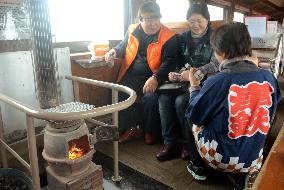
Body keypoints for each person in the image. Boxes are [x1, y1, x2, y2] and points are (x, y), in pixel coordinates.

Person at [183, 22, 281, 188]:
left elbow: (195, 115)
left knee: (189, 112)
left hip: (220, 158)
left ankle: (197, 166)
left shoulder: (218, 81)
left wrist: (194, 87)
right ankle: (245, 175)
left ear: (222, 53)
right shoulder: (269, 77)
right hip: (255, 156)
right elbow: (272, 109)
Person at [104, 1, 178, 145]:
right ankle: (132, 127)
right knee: (117, 91)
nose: (153, 23)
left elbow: (169, 62)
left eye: (156, 19)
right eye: (149, 19)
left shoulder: (169, 37)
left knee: (150, 98)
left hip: (155, 76)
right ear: (140, 20)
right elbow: (123, 46)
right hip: (132, 75)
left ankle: (150, 131)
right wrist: (114, 51)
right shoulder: (132, 30)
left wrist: (155, 78)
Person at [156, 3, 219, 161]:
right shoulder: (181, 38)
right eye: (191, 21)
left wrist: (196, 73)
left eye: (199, 20)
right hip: (181, 82)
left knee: (181, 102)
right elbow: (174, 61)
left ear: (207, 20)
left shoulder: (215, 37)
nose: (195, 25)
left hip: (204, 83)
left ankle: (187, 144)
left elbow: (216, 63)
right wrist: (175, 74)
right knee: (163, 98)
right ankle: (170, 143)